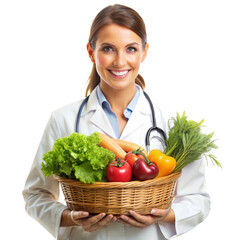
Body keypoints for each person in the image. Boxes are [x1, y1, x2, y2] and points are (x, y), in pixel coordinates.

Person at [23, 4, 210, 240]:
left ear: (144, 51)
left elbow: (198, 199)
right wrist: (70, 217)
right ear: (91, 52)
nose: (120, 61)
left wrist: (164, 215)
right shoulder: (63, 119)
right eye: (108, 49)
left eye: (131, 49)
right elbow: (35, 195)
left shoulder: (170, 121)